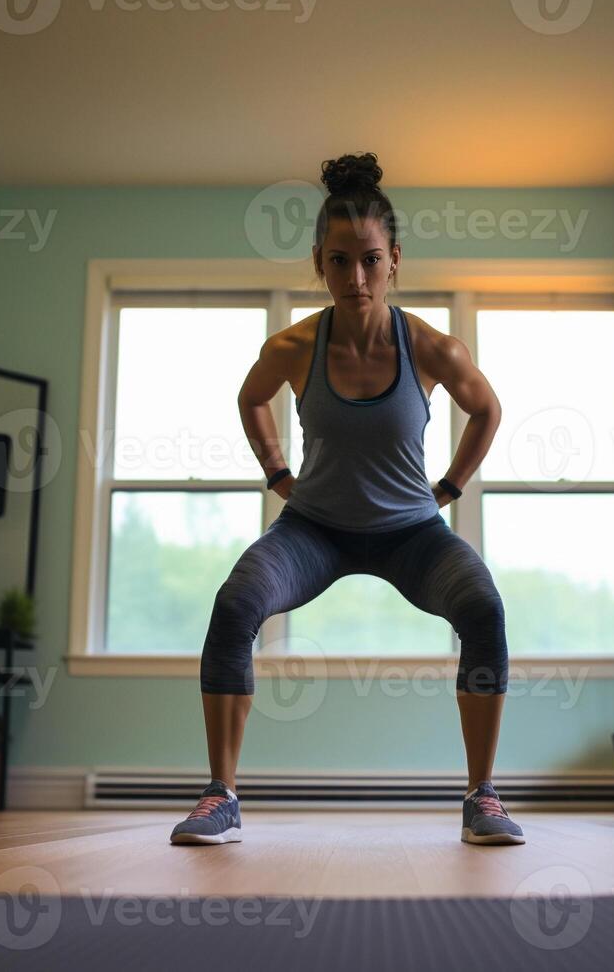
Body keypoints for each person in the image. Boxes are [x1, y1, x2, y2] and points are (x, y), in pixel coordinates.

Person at [170, 153, 523, 846]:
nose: (355, 278)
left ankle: (482, 796)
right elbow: (250, 400)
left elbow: (487, 411)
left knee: (482, 608)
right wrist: (278, 476)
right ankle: (222, 795)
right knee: (235, 605)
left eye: (368, 260)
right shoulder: (295, 346)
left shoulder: (431, 348)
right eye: (339, 262)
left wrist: (449, 488)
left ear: (394, 258)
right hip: (315, 531)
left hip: (412, 535)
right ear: (318, 264)